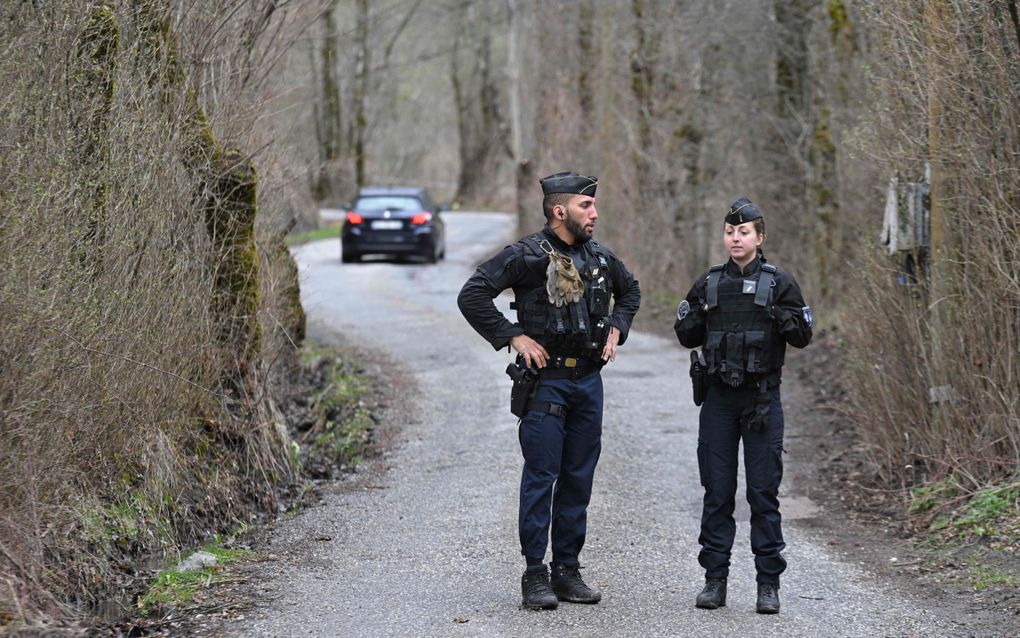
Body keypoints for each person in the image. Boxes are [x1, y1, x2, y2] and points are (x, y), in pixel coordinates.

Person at [457, 171, 641, 610]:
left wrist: (617, 327)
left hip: (588, 383)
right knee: (542, 478)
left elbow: (630, 291)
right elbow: (473, 295)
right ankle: (534, 574)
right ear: (559, 211)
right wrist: (514, 336)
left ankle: (567, 571)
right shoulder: (526, 255)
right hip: (547, 385)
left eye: (594, 206)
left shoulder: (599, 258)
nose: (594, 213)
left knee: (578, 480)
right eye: (585, 206)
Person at [673, 197, 812, 614]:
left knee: (763, 494)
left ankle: (768, 585)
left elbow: (803, 336)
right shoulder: (710, 282)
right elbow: (685, 333)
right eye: (730, 232)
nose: (736, 238)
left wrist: (776, 314)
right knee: (717, 492)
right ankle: (715, 580)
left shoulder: (780, 282)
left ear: (760, 237)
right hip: (718, 400)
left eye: (744, 232)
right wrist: (697, 314)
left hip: (761, 400)